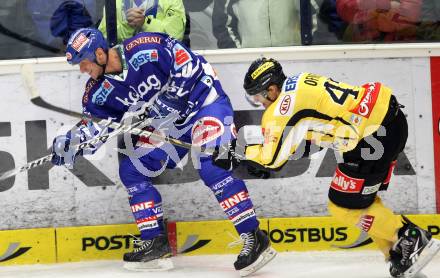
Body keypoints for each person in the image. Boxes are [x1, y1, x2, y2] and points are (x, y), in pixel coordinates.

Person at [50, 28, 276, 275]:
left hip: (205, 103)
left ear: (100, 54)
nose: (82, 70)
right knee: (132, 170)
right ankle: (155, 243)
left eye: (83, 62)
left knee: (212, 167)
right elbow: (96, 127)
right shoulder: (97, 93)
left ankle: (254, 237)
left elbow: (188, 64)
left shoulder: (145, 47)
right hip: (169, 127)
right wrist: (72, 143)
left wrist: (166, 103)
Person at [212, 57, 440, 277]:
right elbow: (308, 133)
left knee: (342, 206)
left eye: (257, 97)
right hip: (388, 122)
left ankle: (410, 236)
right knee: (360, 201)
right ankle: (397, 252)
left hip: (373, 138)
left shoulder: (280, 109)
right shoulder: (300, 81)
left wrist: (235, 153)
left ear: (271, 89)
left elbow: (272, 160)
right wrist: (253, 154)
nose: (259, 103)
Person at [212, 0, 301, 48]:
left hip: (293, 54)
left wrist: (305, 48)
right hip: (248, 58)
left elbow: (312, 15)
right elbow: (222, 24)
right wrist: (238, 53)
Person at [98, 0, 186, 43]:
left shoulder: (171, 1)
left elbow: (175, 36)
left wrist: (146, 23)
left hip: (163, 64)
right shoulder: (114, 2)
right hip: (125, 67)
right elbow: (103, 39)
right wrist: (128, 26)